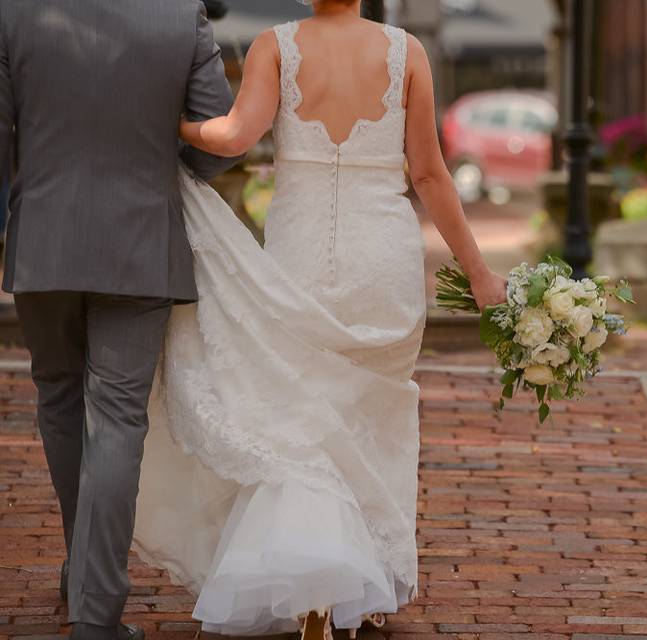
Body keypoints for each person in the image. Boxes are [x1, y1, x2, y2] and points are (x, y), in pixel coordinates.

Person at [132, 0, 508, 638]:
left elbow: (230, 138)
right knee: (368, 413)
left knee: (301, 417)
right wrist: (478, 274)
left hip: (300, 249)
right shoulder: (406, 51)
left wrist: (174, 126)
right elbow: (429, 173)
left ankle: (311, 581)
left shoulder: (275, 45)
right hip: (380, 257)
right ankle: (351, 581)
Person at [0, 2, 239, 640]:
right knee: (117, 417)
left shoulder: (14, 13)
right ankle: (94, 608)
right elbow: (220, 138)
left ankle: (86, 577)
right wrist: (161, 173)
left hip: (44, 243)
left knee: (57, 397)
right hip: (140, 240)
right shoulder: (180, 16)